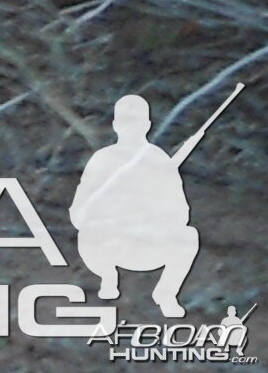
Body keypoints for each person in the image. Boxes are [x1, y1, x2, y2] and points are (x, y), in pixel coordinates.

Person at [69, 93, 204, 317]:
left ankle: (166, 293)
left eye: (136, 122)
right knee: (89, 234)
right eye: (125, 121)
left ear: (147, 125)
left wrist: (153, 214)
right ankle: (108, 278)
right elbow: (79, 212)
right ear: (115, 125)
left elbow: (181, 212)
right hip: (110, 242)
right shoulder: (102, 160)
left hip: (148, 242)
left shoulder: (159, 160)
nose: (131, 127)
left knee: (189, 236)